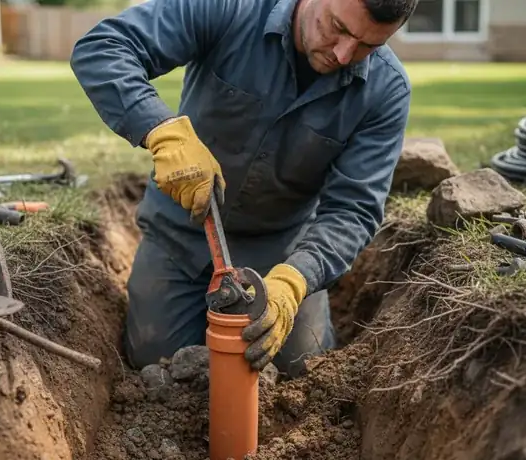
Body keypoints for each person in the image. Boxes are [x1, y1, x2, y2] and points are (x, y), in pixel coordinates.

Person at [71, 0, 416, 378]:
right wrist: (159, 129)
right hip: (181, 236)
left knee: (300, 368)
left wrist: (295, 280)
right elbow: (104, 47)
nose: (343, 53)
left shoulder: (386, 90)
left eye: (368, 46)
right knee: (158, 362)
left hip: (279, 252)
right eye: (338, 27)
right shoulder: (230, 8)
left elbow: (353, 209)